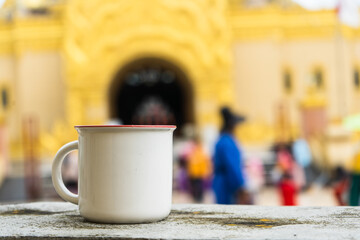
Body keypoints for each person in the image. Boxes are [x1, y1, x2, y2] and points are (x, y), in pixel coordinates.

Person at [212, 107, 249, 204]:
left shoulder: (221, 140)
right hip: (227, 185)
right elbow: (232, 166)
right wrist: (241, 186)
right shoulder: (227, 142)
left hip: (221, 182)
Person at [187, 137, 212, 203]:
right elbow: (190, 163)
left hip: (198, 173)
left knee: (199, 186)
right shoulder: (194, 152)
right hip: (194, 173)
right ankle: (196, 197)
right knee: (195, 186)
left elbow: (204, 162)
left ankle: (199, 198)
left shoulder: (200, 152)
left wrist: (206, 172)